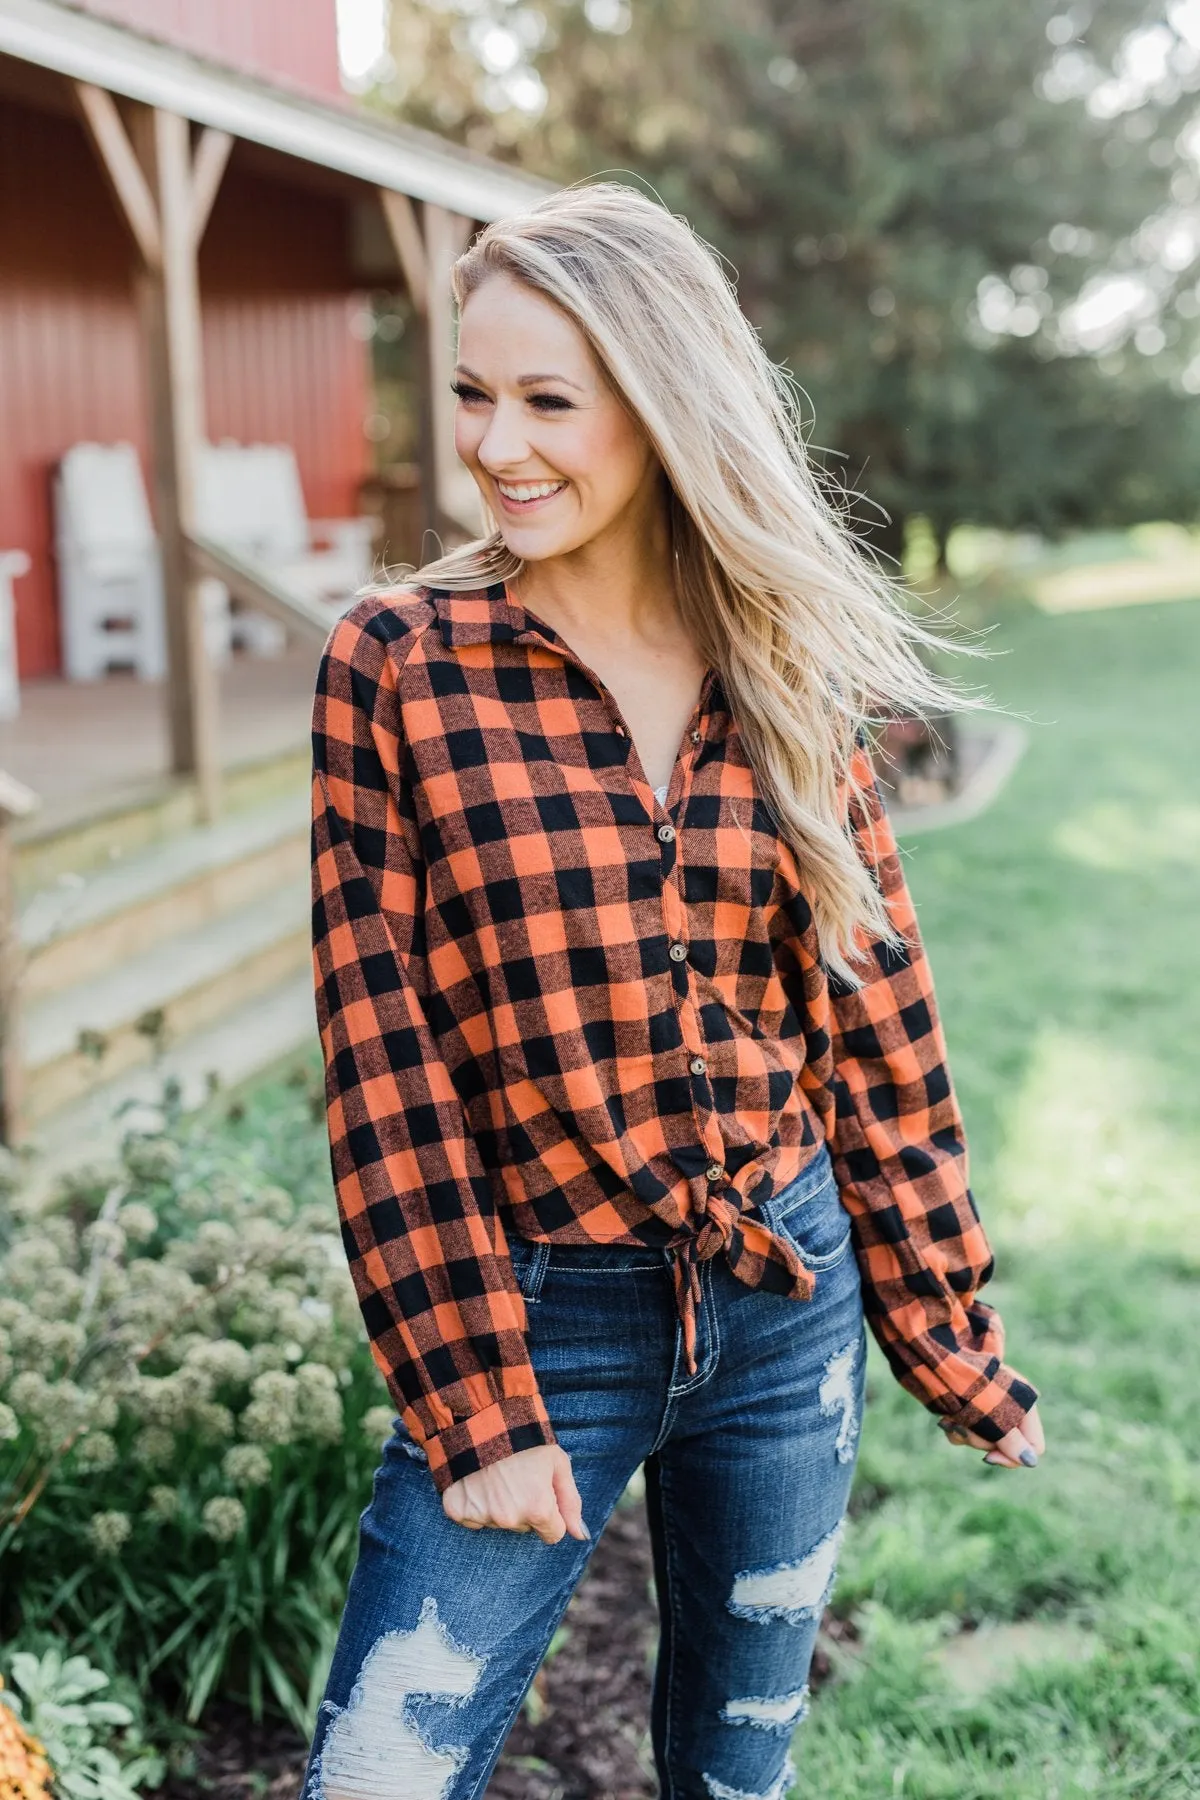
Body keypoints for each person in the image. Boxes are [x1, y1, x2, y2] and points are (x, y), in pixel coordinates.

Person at [303, 181, 1043, 1800]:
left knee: (737, 1774)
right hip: (535, 1301)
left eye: (548, 400)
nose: (498, 445)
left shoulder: (779, 661)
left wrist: (948, 1333)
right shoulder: (397, 667)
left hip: (788, 1308)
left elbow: (874, 1020)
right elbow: (385, 1058)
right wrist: (477, 1399)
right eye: (475, 394)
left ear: (660, 403)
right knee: (377, 1777)